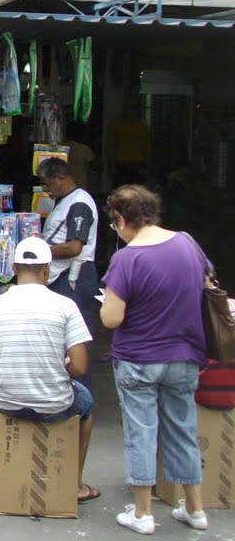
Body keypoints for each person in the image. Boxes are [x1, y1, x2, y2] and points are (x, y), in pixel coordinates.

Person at [100, 184, 208, 534]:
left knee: (141, 433)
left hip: (138, 359)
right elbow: (207, 285)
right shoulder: (187, 244)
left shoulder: (126, 259)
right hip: (185, 355)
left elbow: (111, 319)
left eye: (114, 225)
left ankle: (143, 513)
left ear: (120, 219)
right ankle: (195, 509)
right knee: (183, 430)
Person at [0, 237, 99, 504]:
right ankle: (76, 484)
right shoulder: (66, 306)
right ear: (47, 269)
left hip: (6, 403)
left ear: (14, 268)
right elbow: (81, 366)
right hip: (54, 405)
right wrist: (60, 366)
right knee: (86, 404)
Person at [37, 157, 98, 388]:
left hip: (74, 279)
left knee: (77, 340)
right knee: (62, 339)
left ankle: (81, 400)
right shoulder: (64, 202)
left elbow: (74, 247)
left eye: (47, 184)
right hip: (63, 278)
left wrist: (40, 250)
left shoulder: (79, 203)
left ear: (61, 179)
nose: (46, 190)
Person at [106, 98, 151, 187]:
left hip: (137, 164)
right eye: (128, 107)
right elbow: (110, 148)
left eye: (133, 108)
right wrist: (112, 167)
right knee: (120, 192)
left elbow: (147, 148)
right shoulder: (115, 125)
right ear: (123, 109)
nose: (130, 110)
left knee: (137, 193)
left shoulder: (142, 126)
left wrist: (147, 167)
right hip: (120, 164)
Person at [63, 122, 96, 192]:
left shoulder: (61, 149)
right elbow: (98, 167)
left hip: (63, 189)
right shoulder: (84, 149)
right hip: (80, 189)